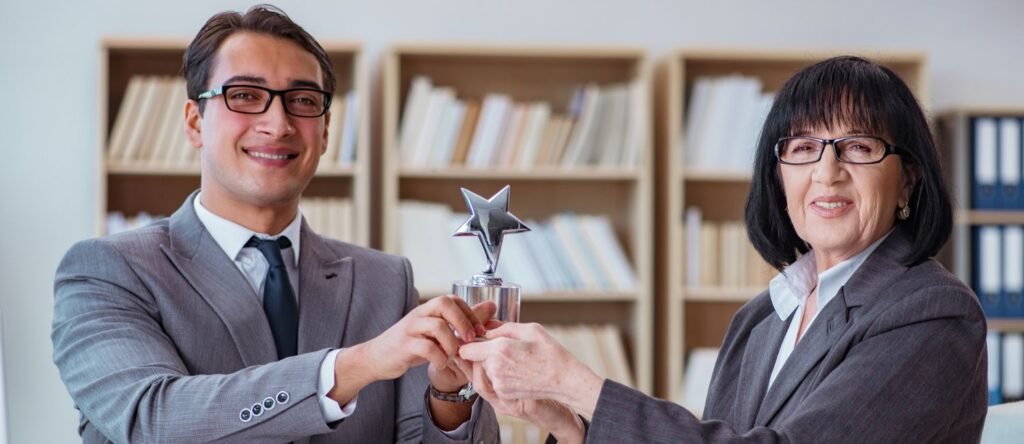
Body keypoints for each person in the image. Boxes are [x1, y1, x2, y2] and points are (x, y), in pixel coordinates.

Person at [458, 56, 988, 443]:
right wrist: (568, 423)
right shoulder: (763, 316)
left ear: (909, 180)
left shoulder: (932, 313)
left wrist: (577, 384)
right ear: (778, 177)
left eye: (859, 147)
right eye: (803, 148)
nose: (828, 173)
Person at [52, 5, 498, 443]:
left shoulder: (384, 280)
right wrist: (359, 364)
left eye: (303, 101)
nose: (278, 123)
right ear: (194, 123)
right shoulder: (106, 271)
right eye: (245, 95)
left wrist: (449, 392)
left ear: (325, 133)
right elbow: (153, 419)